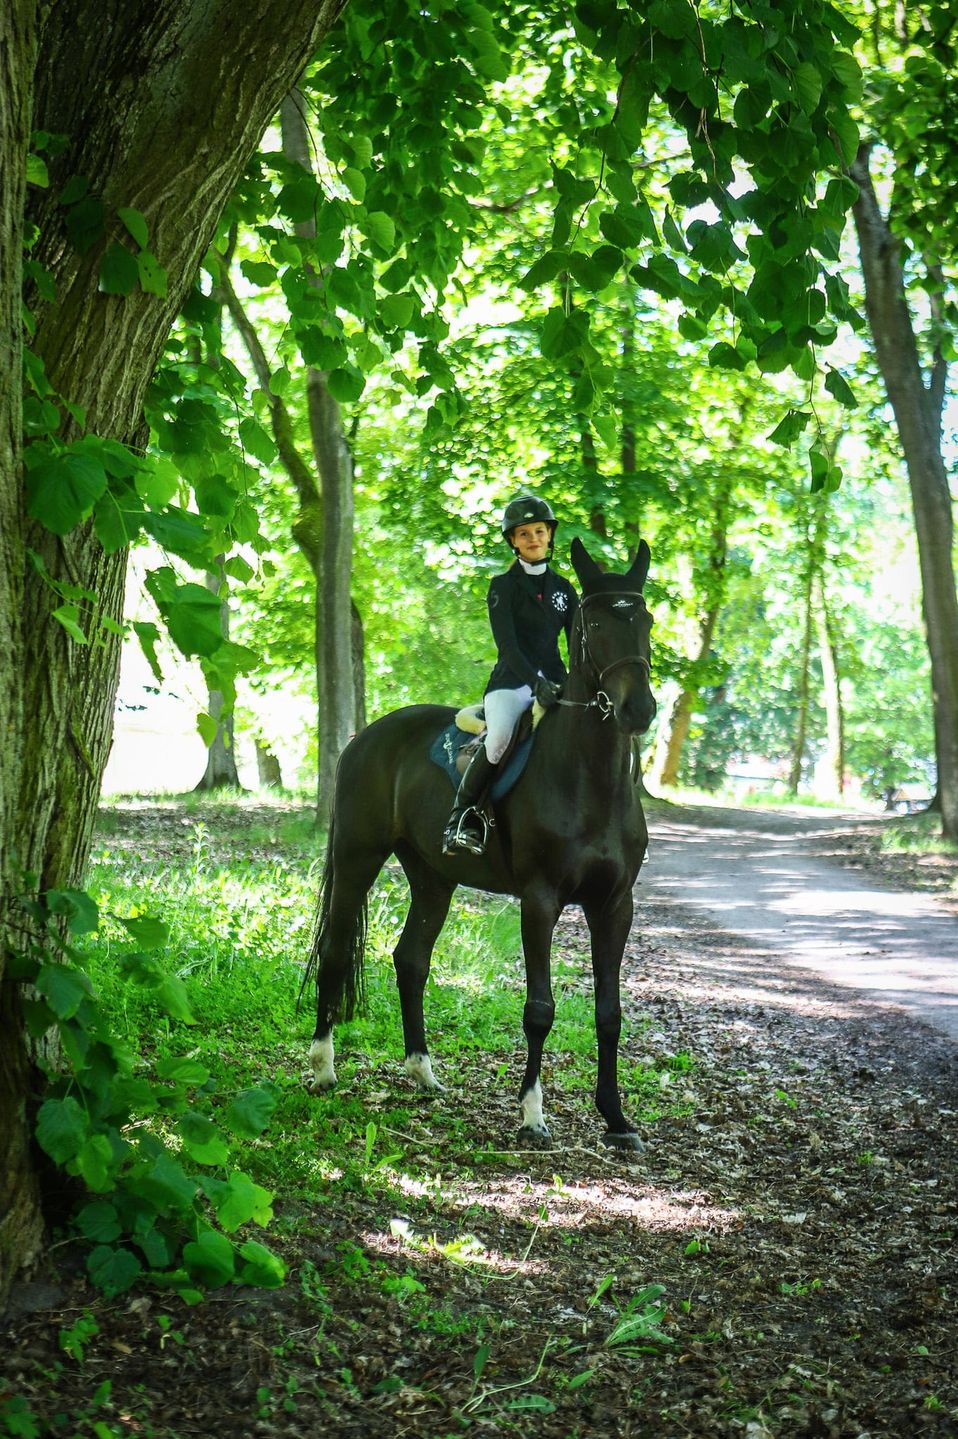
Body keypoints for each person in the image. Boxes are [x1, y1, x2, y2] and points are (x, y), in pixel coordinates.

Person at [442, 493, 578, 855]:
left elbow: (576, 642)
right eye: (523, 534)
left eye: (539, 531)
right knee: (500, 738)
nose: (533, 539)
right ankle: (462, 818)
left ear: (549, 535)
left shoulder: (565, 590)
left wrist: (573, 682)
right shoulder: (502, 587)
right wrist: (537, 685)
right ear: (513, 542)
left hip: (555, 682)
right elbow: (509, 648)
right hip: (512, 684)